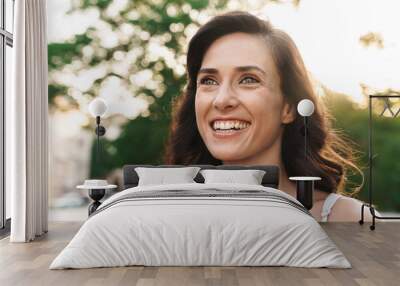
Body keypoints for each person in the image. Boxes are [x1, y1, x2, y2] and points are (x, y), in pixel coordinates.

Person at [164, 11, 373, 222]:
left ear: (288, 108)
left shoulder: (348, 219)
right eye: (209, 81)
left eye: (248, 79)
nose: (221, 99)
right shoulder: (166, 216)